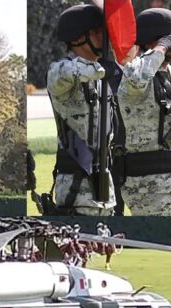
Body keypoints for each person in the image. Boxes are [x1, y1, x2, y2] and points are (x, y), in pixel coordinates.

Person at [116, 8, 171, 216]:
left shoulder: (170, 73)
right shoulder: (133, 71)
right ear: (152, 39)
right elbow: (137, 77)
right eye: (170, 39)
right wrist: (161, 47)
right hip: (148, 185)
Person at [45, 4, 119, 216]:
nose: (102, 39)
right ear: (77, 38)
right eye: (96, 33)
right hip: (76, 191)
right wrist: (104, 68)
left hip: (104, 188)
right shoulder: (60, 70)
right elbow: (72, 71)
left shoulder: (99, 76)